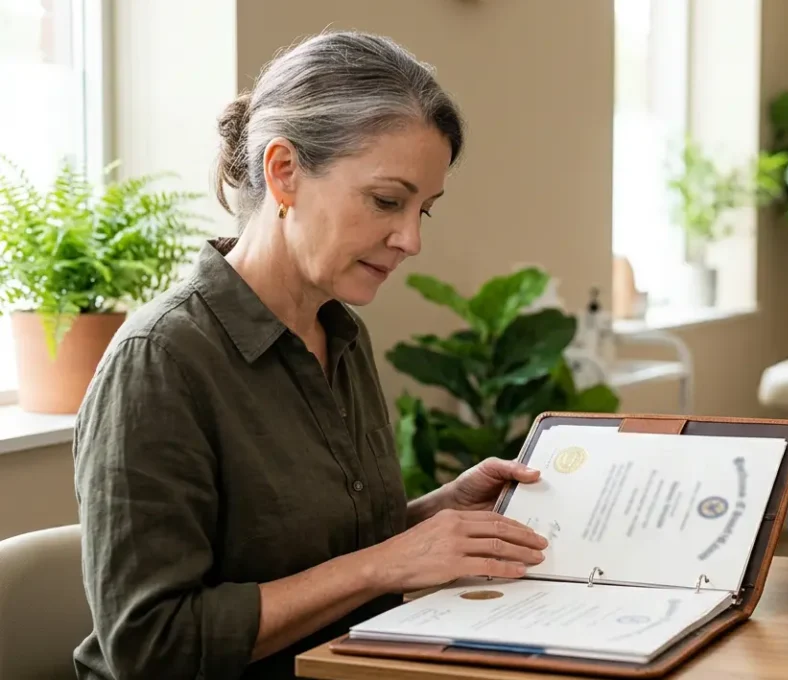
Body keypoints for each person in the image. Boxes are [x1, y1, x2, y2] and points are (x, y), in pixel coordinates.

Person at [72, 31, 549, 679]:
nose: (409, 239)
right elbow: (153, 648)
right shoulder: (160, 362)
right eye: (387, 200)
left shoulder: (341, 337)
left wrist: (439, 512)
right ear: (284, 172)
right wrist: (388, 562)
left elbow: (316, 557)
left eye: (423, 211)